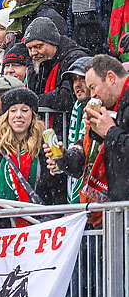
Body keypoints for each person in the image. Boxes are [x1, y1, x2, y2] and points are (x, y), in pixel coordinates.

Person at [0, 87, 66, 206]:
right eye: (13, 110)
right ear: (6, 115)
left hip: (38, 220)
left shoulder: (45, 147)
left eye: (24, 110)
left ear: (32, 115)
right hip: (0, 220)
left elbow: (57, 188)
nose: (18, 115)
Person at [73, 54, 129, 201]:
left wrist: (110, 130)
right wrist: (96, 130)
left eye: (93, 87)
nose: (92, 95)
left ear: (111, 78)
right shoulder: (117, 105)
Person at [48, 56, 99, 206]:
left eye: (82, 78)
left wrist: (66, 157)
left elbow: (86, 152)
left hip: (97, 196)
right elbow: (79, 151)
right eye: (74, 80)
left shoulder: (100, 110)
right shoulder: (77, 107)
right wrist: (61, 159)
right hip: (79, 197)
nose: (77, 84)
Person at [24, 17, 89, 112]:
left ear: (53, 43)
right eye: (30, 49)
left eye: (38, 46)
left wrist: (34, 101)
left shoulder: (75, 58)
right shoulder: (37, 64)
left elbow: (67, 96)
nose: (33, 53)